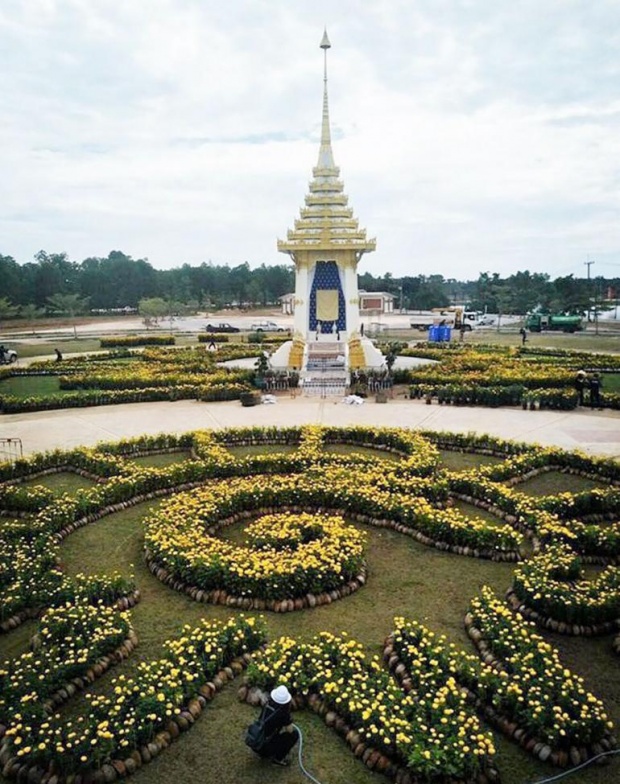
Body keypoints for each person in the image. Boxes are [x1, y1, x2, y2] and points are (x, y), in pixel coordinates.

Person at [248, 685, 299, 767]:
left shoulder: (267, 704)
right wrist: (288, 721)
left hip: (256, 741)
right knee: (294, 735)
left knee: (270, 733)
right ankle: (278, 759)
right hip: (264, 746)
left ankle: (263, 752)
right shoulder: (283, 713)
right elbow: (290, 730)